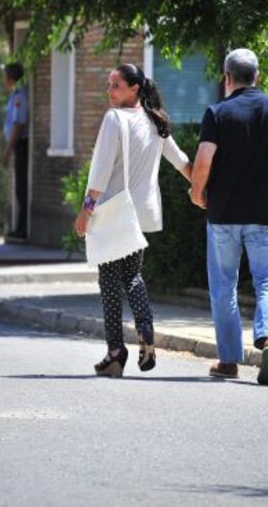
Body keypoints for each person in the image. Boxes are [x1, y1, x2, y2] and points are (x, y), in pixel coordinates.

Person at [190, 48, 268, 385]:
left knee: (224, 286)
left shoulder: (218, 112)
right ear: (258, 76)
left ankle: (228, 360)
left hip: (223, 214)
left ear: (226, 78)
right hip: (264, 215)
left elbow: (205, 157)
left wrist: (196, 193)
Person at [75, 64, 192, 377]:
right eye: (109, 84)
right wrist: (202, 189)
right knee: (132, 275)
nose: (110, 91)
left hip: (115, 212)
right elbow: (181, 161)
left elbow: (99, 170)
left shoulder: (114, 119)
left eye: (116, 85)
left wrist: (87, 209)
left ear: (134, 89)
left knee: (109, 279)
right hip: (140, 214)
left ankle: (115, 350)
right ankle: (146, 332)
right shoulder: (155, 121)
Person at [3, 62, 29, 242]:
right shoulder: (14, 95)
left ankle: (22, 228)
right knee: (19, 188)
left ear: (11, 78)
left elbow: (19, 124)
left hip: (20, 146)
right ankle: (18, 227)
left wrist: (7, 151)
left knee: (21, 188)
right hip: (17, 146)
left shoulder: (19, 96)